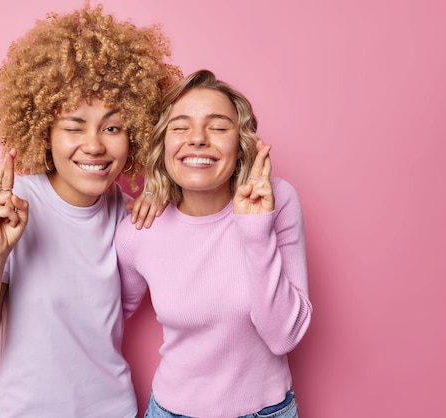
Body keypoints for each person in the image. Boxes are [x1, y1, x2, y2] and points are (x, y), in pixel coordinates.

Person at [0, 4, 181, 417]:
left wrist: (161, 201)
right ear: (43, 131)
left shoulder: (130, 217)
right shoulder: (10, 206)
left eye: (113, 127)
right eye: (74, 126)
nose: (93, 145)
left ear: (138, 135)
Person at [115, 69, 312, 418]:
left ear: (240, 148)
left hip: (268, 412)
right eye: (180, 127)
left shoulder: (278, 199)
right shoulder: (138, 231)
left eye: (218, 127)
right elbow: (103, 315)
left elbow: (284, 336)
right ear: (162, 147)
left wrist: (254, 229)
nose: (198, 139)